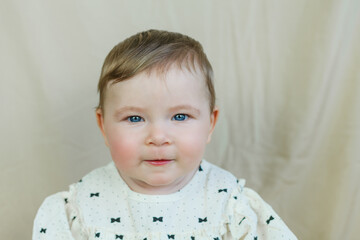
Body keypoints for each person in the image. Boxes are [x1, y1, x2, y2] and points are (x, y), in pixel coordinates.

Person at [33, 29, 297, 240]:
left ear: (210, 123)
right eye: (134, 118)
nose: (158, 137)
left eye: (180, 116)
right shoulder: (79, 208)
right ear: (103, 126)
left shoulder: (230, 204)